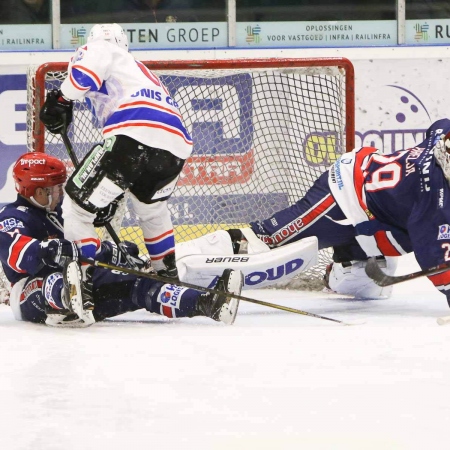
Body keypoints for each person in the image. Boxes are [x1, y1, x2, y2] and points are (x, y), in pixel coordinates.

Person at [177, 118, 450, 305]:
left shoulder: (441, 141)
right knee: (262, 240)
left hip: (377, 220)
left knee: (371, 284)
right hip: (344, 195)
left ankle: (339, 267)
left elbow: (440, 125)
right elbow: (440, 267)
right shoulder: (435, 201)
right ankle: (172, 261)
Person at [0, 152, 242, 328]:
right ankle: (67, 299)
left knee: (139, 285)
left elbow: (79, 250)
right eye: (51, 191)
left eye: (59, 188)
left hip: (81, 280)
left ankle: (207, 303)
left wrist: (112, 253)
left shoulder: (59, 213)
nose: (58, 195)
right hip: (30, 293)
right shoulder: (11, 216)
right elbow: (15, 251)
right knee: (55, 279)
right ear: (31, 191)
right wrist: (46, 249)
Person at [39, 23, 192, 278]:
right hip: (176, 145)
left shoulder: (100, 47)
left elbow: (85, 74)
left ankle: (83, 282)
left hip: (134, 133)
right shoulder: (140, 71)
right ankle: (166, 275)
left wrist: (61, 100)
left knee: (77, 209)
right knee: (152, 211)